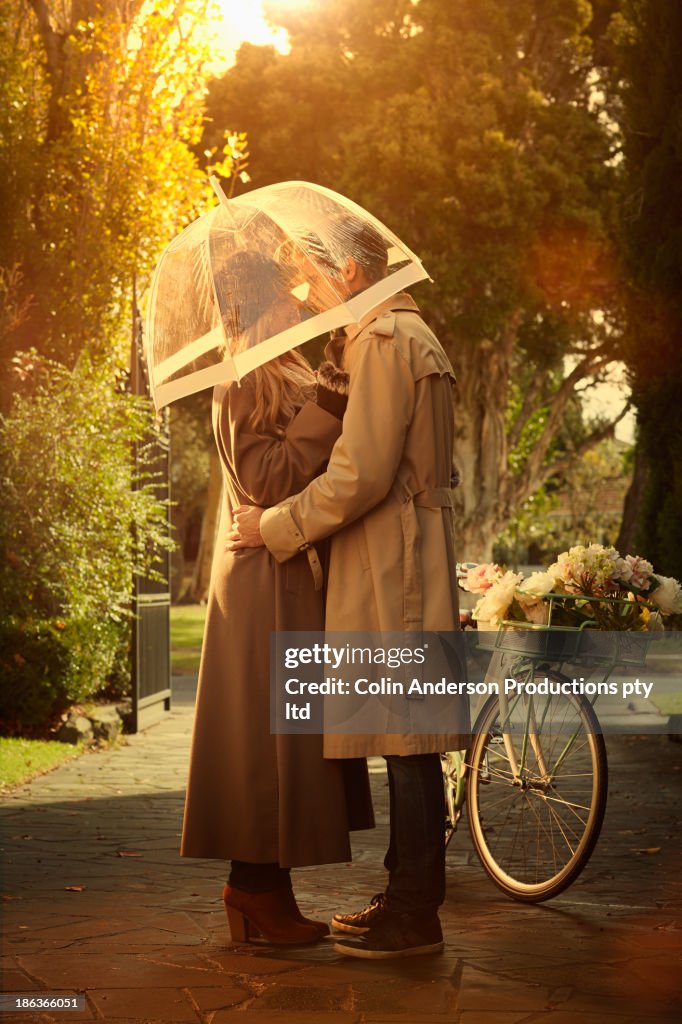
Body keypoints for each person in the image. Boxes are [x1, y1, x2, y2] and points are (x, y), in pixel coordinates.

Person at [229, 220, 469, 959]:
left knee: (407, 739)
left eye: (313, 272)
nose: (306, 290)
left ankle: (413, 913)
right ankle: (403, 894)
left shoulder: (384, 340)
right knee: (407, 734)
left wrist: (275, 525)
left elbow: (359, 474)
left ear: (353, 270)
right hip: (396, 554)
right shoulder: (394, 334)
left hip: (390, 559)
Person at [181, 249, 373, 946]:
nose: (299, 305)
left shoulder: (282, 370)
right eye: (287, 299)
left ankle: (267, 892)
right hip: (263, 585)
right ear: (260, 309)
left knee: (283, 741)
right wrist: (326, 406)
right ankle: (253, 891)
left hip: (287, 572)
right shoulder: (238, 383)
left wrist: (329, 385)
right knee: (266, 744)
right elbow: (268, 482)